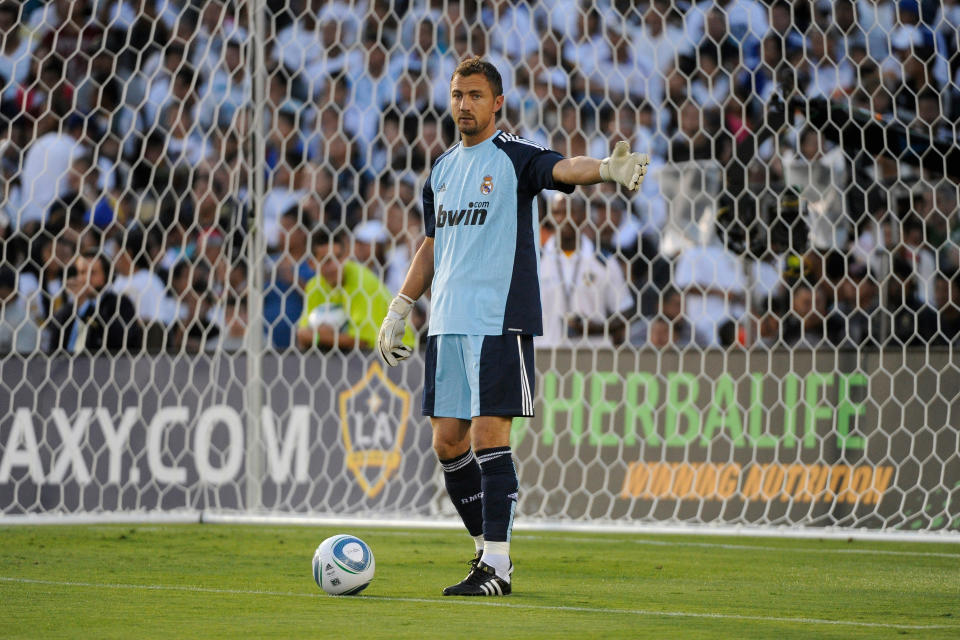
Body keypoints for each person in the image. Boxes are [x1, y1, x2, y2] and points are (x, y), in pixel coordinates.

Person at [376, 57, 648, 596]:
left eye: (475, 95)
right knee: (447, 442)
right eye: (457, 95)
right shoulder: (441, 171)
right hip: (448, 324)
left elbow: (561, 168)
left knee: (488, 435)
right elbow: (432, 244)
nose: (464, 105)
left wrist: (606, 170)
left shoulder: (513, 155)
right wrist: (400, 307)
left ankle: (498, 565)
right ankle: (485, 552)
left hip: (500, 318)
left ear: (497, 102)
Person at [297, 226, 414, 352]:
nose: (335, 266)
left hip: (398, 353)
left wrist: (318, 336)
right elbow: (304, 333)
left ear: (346, 256)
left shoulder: (363, 283)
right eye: (327, 261)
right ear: (312, 264)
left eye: (339, 257)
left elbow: (361, 341)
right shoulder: (314, 286)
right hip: (353, 357)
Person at [538, 192, 633, 348]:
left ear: (584, 216)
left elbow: (625, 310)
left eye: (571, 212)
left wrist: (597, 328)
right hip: (546, 354)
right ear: (550, 218)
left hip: (592, 356)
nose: (563, 219)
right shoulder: (536, 261)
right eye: (557, 213)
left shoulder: (603, 262)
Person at [44, 251, 143, 354]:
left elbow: (121, 337)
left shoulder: (120, 304)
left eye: (92, 273)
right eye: (82, 272)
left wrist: (85, 306)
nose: (85, 279)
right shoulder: (67, 311)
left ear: (106, 276)